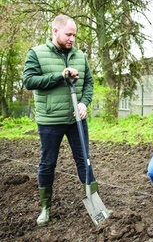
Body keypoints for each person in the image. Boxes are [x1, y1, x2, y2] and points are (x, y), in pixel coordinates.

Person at [23, 14, 96, 225]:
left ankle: (93, 198)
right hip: (50, 120)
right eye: (68, 34)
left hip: (76, 119)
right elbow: (29, 81)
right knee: (48, 163)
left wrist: (84, 102)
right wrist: (59, 75)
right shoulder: (36, 53)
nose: (72, 38)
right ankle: (45, 207)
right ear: (55, 31)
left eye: (74, 35)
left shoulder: (80, 56)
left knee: (84, 159)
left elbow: (89, 83)